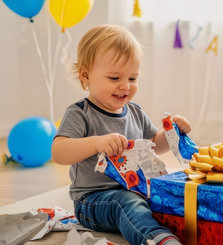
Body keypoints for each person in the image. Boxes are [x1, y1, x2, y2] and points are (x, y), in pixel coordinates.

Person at [52, 24, 187, 245]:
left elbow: (155, 144)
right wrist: (96, 143)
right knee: (126, 203)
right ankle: (157, 240)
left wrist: (172, 133)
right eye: (114, 78)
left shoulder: (135, 111)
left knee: (171, 195)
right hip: (93, 201)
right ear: (86, 76)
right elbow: (59, 152)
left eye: (133, 78)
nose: (125, 86)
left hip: (137, 188)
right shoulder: (80, 113)